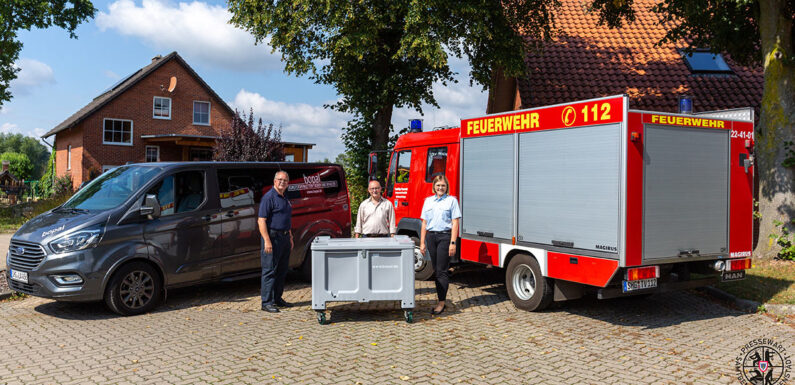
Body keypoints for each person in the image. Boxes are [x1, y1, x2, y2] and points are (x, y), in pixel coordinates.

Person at [419, 175, 461, 315]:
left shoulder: (451, 201)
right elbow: (424, 223)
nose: (440, 188)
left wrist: (452, 243)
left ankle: (441, 303)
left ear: (446, 186)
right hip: (431, 237)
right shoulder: (428, 201)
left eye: (443, 185)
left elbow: (455, 223)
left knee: (442, 271)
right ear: (434, 187)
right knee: (436, 270)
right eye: (438, 185)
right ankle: (440, 299)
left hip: (445, 237)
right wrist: (422, 243)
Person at [258, 171, 294, 313]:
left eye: (285, 180)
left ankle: (277, 299)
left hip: (284, 237)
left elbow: (287, 219)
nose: (282, 182)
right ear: (274, 181)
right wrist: (267, 241)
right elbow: (261, 221)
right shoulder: (268, 198)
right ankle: (266, 302)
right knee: (269, 271)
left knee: (282, 270)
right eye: (280, 179)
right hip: (272, 238)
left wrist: (290, 236)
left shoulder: (285, 197)